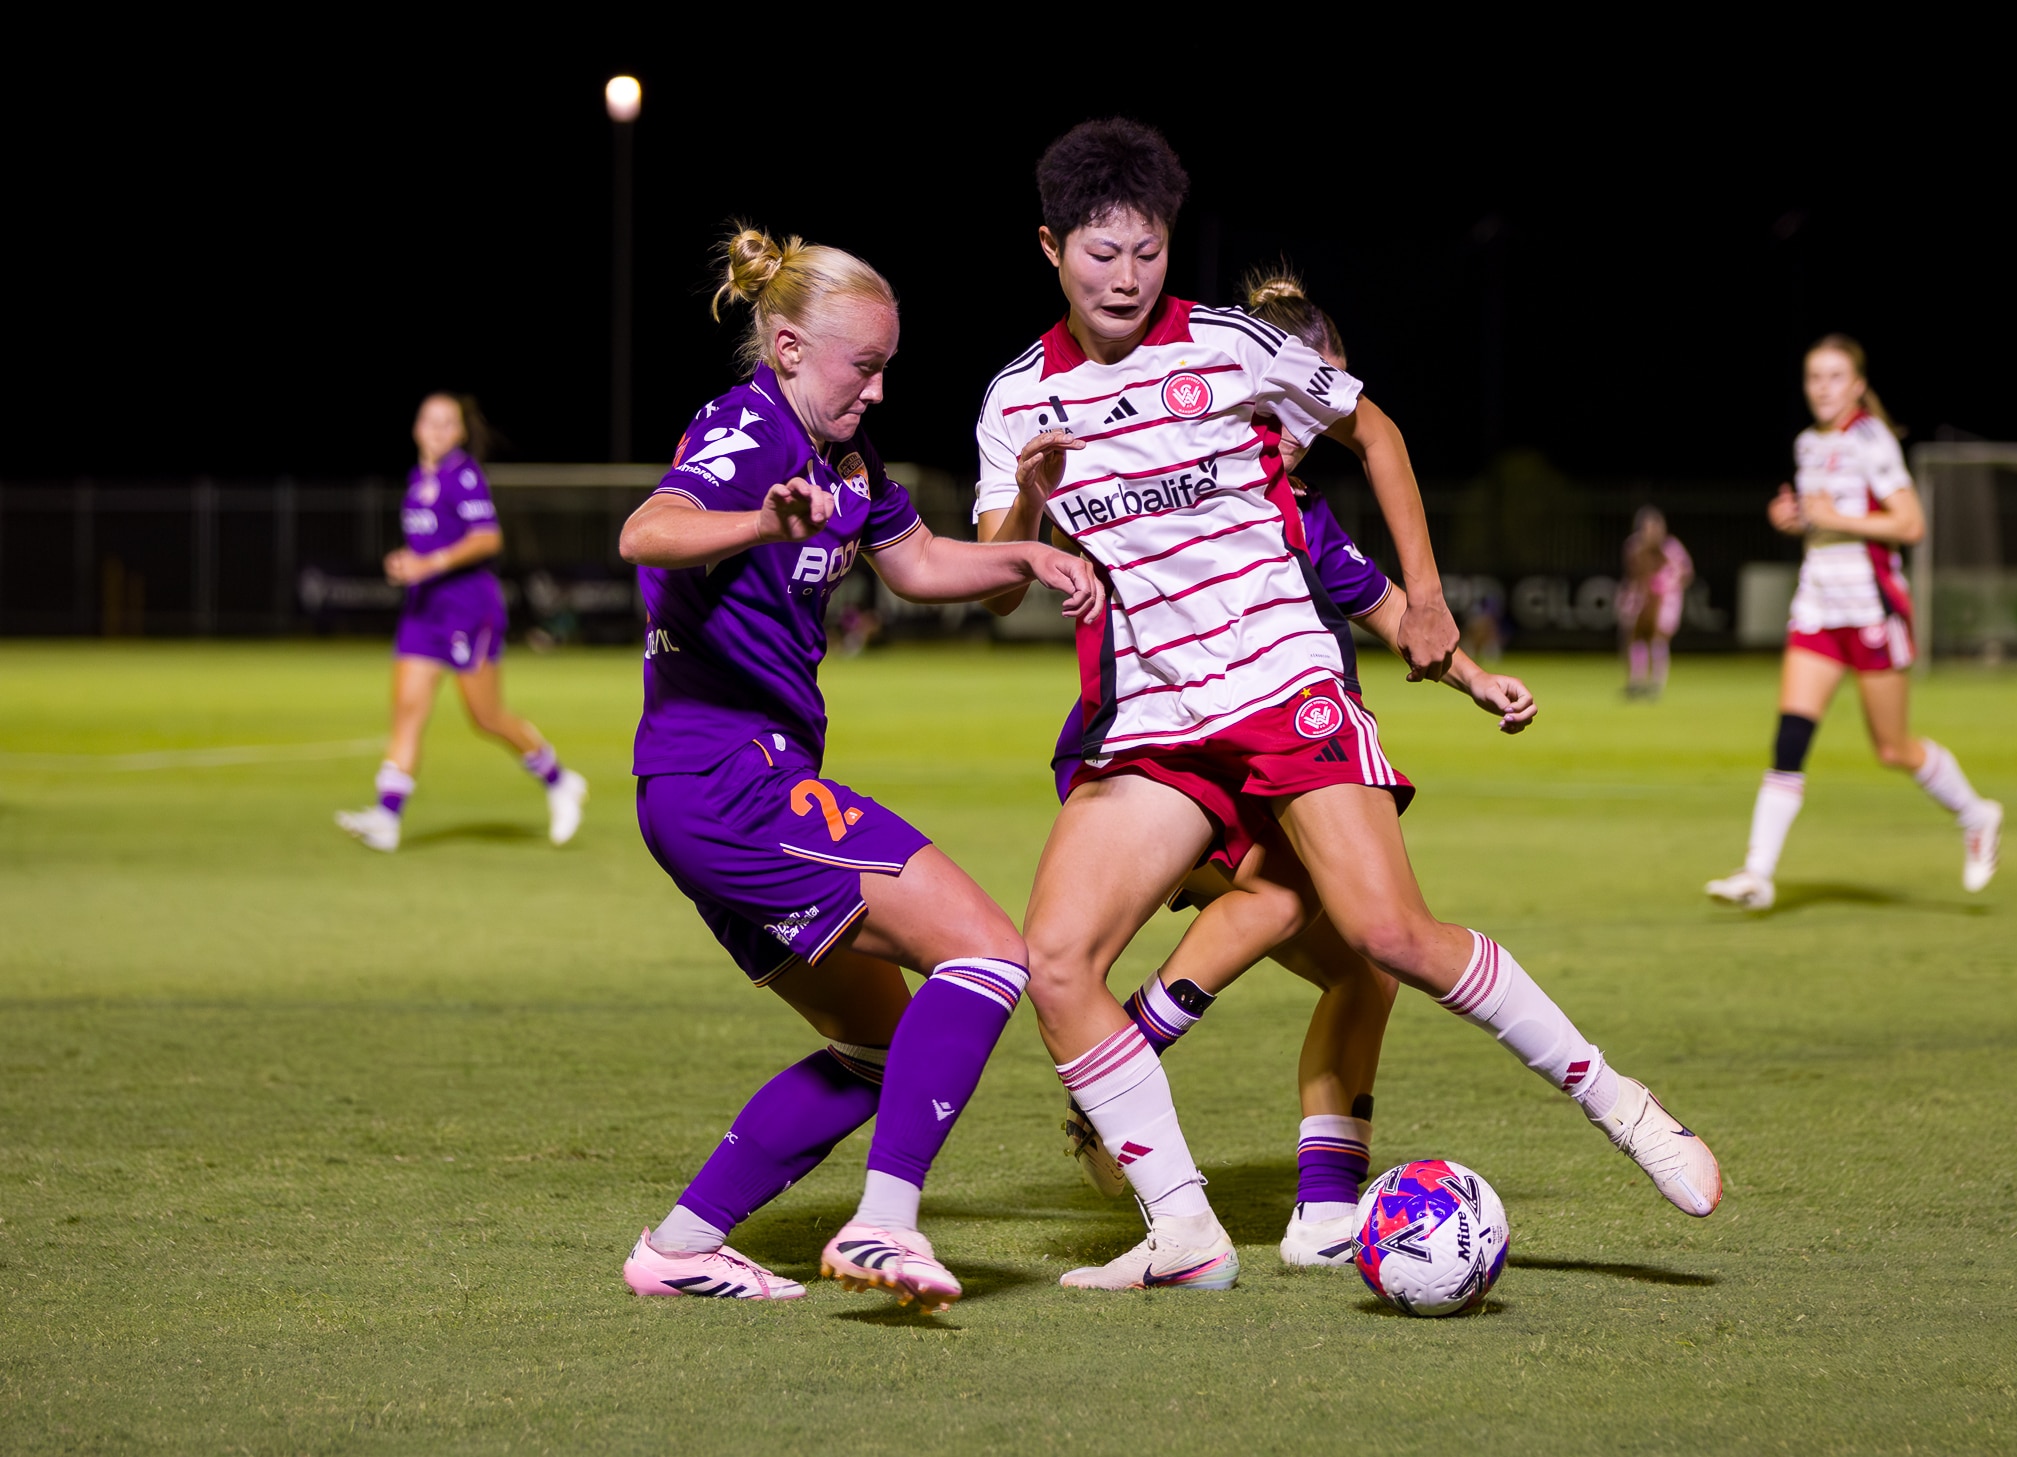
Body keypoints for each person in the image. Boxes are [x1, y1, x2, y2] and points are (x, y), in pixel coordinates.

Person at [977, 119, 1722, 1292]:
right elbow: (993, 567)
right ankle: (1185, 1229)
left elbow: (1374, 428)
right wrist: (1026, 509)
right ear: (1049, 247)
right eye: (1099, 255)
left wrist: (1429, 604)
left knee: (1385, 940)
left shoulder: (1230, 345)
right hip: (1159, 724)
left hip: (1283, 686)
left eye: (1148, 252)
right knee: (1057, 957)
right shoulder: (1017, 399)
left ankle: (1624, 1103)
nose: (1126, 278)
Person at [982, 267, 1541, 1269]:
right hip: (1154, 763)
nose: (1308, 420)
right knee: (1286, 891)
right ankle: (1127, 1061)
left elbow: (1378, 599)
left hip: (1262, 751)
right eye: (1300, 396)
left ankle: (1324, 1209)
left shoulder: (1304, 512)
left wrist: (1473, 676)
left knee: (1368, 970)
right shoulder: (1173, 454)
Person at [615, 227, 1104, 1311]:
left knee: (879, 1044)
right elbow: (648, 532)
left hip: (711, 792)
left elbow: (923, 561)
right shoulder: (748, 430)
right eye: (863, 367)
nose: (879, 390)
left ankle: (682, 1246)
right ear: (787, 347)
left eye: (887, 367)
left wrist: (1025, 547)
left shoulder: (845, 459)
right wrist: (757, 519)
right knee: (987, 950)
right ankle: (886, 1221)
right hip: (728, 777)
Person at [1707, 336, 2002, 910]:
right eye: (1815, 377)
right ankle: (1757, 874)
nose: (1823, 387)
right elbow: (1823, 524)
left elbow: (1910, 525)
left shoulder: (1872, 441)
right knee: (1790, 739)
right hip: (1819, 606)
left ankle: (1977, 813)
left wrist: (1834, 516)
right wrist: (1793, 521)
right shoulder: (1807, 443)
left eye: (1835, 377)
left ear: (1858, 385)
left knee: (1892, 749)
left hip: (1872, 609)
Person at [336, 394, 586, 853]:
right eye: (428, 420)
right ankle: (387, 818)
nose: (435, 429)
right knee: (407, 713)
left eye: (445, 423)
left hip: (468, 612)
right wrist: (408, 563)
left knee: (486, 716)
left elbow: (488, 537)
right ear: (415, 427)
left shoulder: (462, 475)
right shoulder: (418, 479)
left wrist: (427, 564)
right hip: (423, 611)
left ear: (458, 433)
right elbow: (429, 547)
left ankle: (560, 780)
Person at [1617, 505, 1693, 699]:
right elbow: (1632, 574)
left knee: (1659, 637)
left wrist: (1665, 584)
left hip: (1666, 598)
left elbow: (1686, 573)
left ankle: (1656, 682)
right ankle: (1636, 680)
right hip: (1642, 596)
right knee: (1636, 636)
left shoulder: (1672, 548)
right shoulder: (1634, 546)